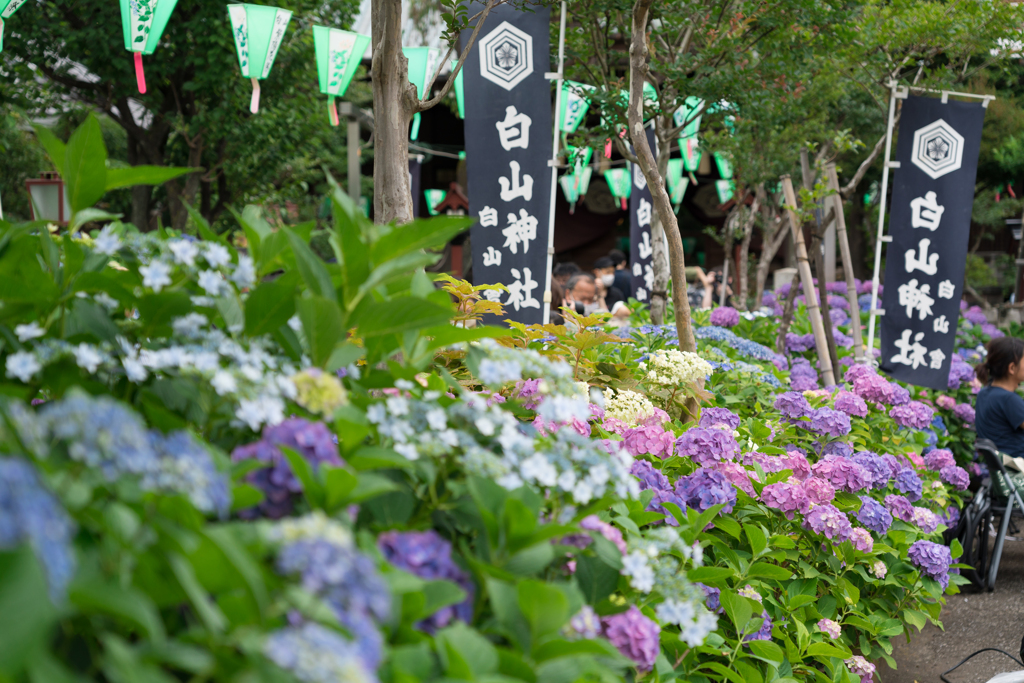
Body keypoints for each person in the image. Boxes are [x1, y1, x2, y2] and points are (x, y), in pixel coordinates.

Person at [975, 337, 1024, 459]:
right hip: (1017, 470)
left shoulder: (984, 394)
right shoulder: (1008, 399)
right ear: (1012, 368)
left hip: (1001, 470)